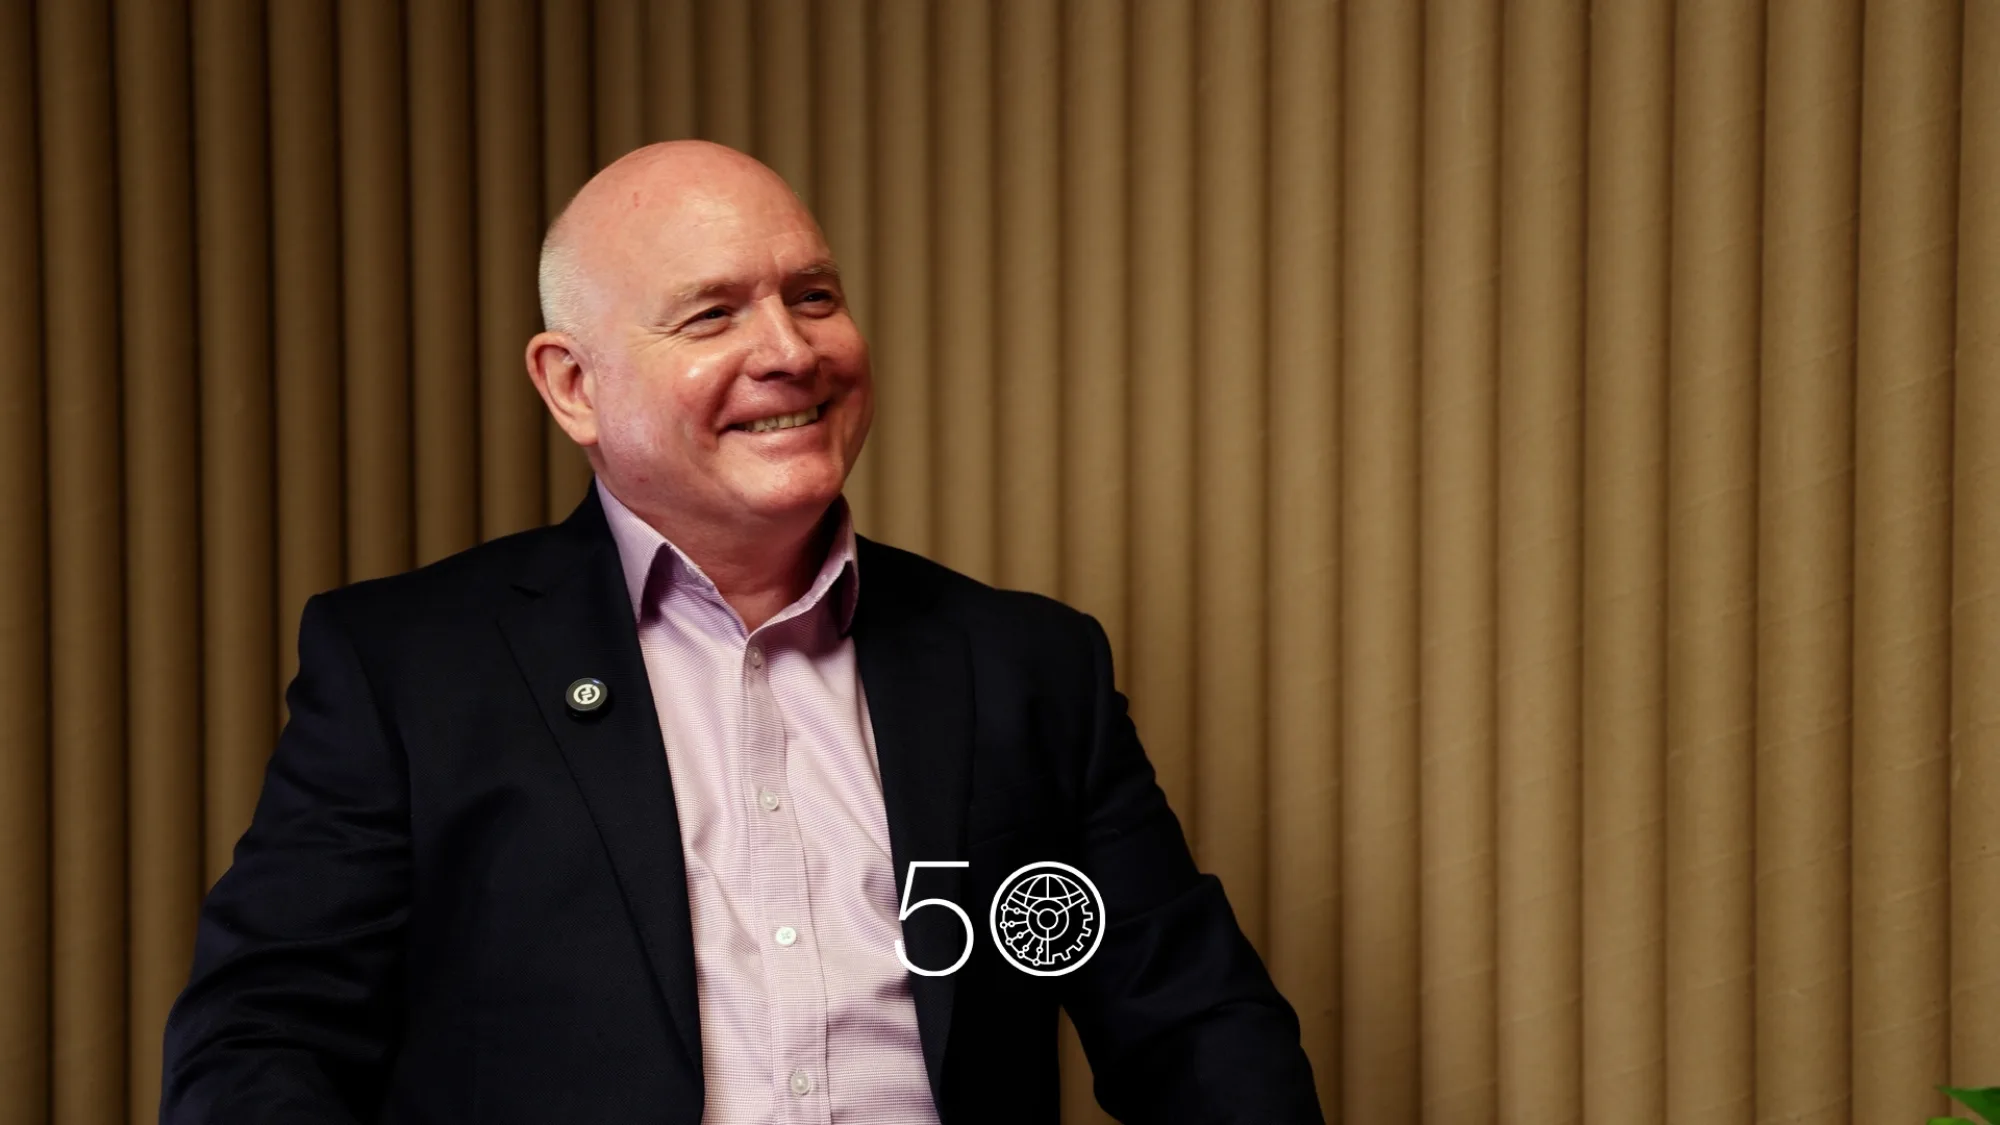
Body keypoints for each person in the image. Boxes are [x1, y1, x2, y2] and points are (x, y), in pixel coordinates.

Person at [160, 141, 1322, 1124]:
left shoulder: (1024, 667)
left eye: (811, 296)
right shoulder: (408, 668)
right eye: (713, 313)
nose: (790, 350)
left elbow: (1195, 1033)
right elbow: (261, 1042)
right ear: (573, 386)